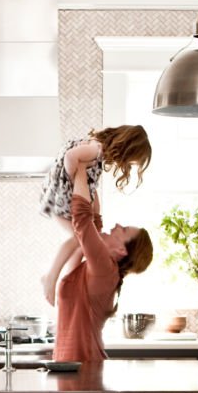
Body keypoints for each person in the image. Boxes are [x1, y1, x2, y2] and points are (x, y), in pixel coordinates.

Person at [51, 154, 154, 362]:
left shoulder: (106, 270)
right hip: (72, 371)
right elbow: (93, 222)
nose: (116, 226)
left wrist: (80, 166)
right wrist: (89, 175)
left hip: (85, 373)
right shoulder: (97, 267)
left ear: (122, 251)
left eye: (123, 230)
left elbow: (83, 220)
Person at [40, 125, 152, 306]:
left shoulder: (99, 151)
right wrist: (72, 179)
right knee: (78, 239)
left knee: (80, 243)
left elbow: (89, 181)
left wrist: (91, 201)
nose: (127, 164)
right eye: (131, 161)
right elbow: (70, 156)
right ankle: (51, 277)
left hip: (61, 195)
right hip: (60, 197)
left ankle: (67, 283)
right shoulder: (96, 150)